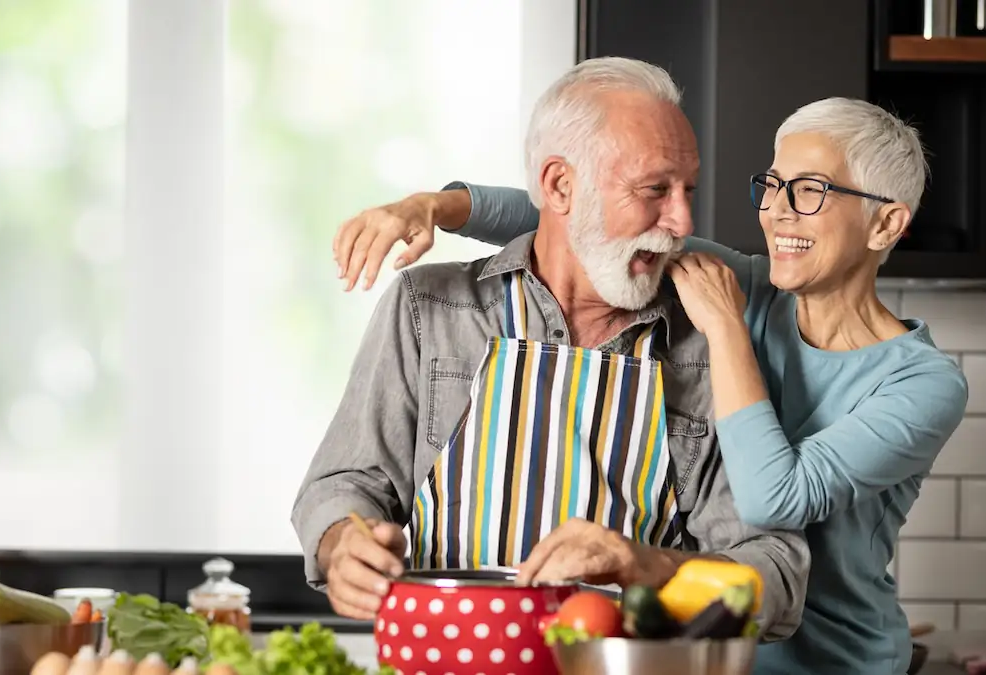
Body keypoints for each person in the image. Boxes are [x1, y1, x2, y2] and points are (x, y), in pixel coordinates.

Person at [330, 96, 969, 674]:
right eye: (773, 186)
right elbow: (592, 216)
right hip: (706, 651)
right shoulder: (750, 284)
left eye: (809, 191)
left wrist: (726, 328)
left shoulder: (921, 381)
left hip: (834, 660)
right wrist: (433, 206)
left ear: (885, 225)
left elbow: (776, 500)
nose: (776, 211)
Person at [292, 56, 809, 641]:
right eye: (654, 190)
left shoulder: (709, 344)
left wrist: (647, 566)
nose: (682, 221)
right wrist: (343, 542)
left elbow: (776, 575)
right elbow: (343, 484)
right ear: (561, 186)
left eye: (687, 190)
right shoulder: (429, 309)